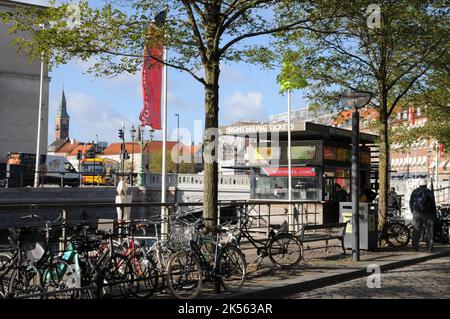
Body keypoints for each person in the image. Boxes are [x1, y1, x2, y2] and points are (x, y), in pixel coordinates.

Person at [409, 179, 437, 252]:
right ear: (426, 185)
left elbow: (411, 202)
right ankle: (430, 248)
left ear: (419, 184)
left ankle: (415, 248)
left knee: (416, 231)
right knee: (429, 231)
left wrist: (413, 211)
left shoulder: (415, 192)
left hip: (416, 213)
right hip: (428, 214)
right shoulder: (428, 192)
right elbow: (433, 203)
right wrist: (434, 213)